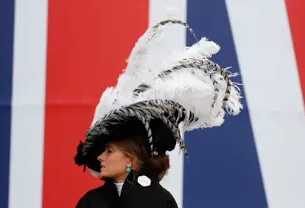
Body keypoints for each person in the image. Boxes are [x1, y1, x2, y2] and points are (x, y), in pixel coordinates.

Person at [73, 16, 243, 208]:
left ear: (131, 159)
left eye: (109, 150)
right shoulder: (91, 202)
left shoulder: (160, 201)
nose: (100, 157)